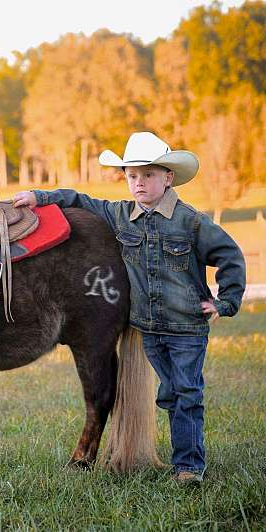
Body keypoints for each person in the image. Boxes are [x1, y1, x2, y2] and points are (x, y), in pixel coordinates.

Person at [13, 132, 246, 483]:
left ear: (168, 177)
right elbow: (79, 200)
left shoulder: (192, 222)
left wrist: (225, 301)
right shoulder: (121, 215)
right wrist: (40, 195)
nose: (139, 183)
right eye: (132, 176)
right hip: (149, 328)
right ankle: (182, 451)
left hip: (186, 328)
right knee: (169, 393)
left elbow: (230, 255)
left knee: (186, 393)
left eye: (148, 175)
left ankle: (189, 466)